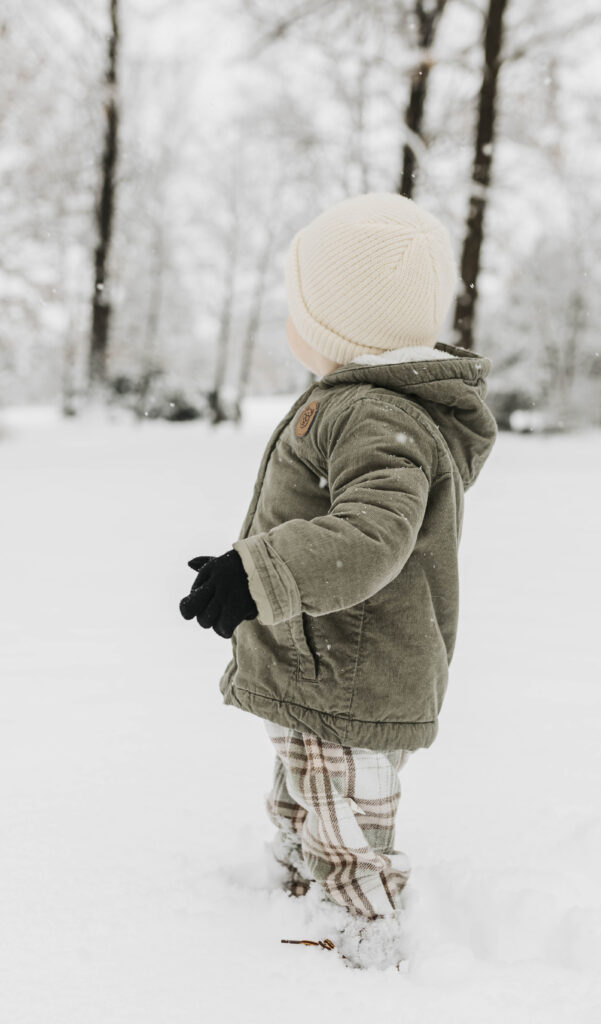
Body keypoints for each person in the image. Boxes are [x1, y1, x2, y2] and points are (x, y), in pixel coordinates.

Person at [179, 192, 498, 969]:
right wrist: (251, 569)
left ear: (334, 327)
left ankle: (357, 937)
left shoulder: (371, 413)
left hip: (348, 672)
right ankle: (298, 882)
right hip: (325, 661)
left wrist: (261, 570)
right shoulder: (368, 407)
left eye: (300, 305)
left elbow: (373, 533)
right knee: (306, 790)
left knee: (343, 817)